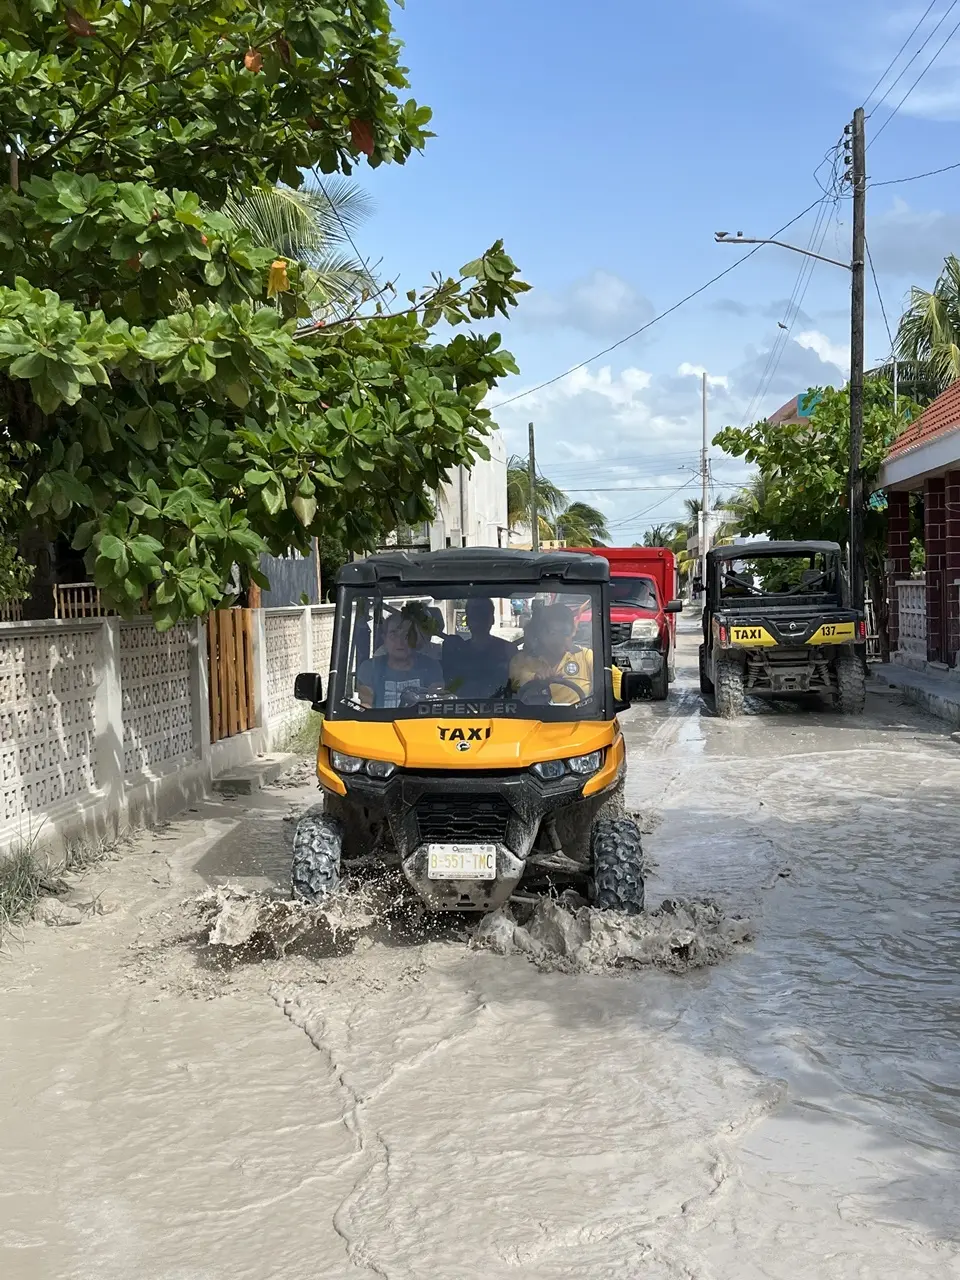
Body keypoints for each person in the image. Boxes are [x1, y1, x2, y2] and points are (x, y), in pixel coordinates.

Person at [509, 602, 594, 704]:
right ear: (540, 633)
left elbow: (615, 683)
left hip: (579, 718)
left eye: (565, 632)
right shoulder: (523, 660)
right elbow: (513, 681)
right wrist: (534, 678)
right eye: (553, 633)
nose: (559, 639)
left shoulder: (586, 657)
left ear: (573, 632)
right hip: (530, 718)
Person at [357, 613, 442, 709]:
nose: (400, 641)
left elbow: (436, 704)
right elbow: (366, 707)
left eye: (407, 635)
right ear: (384, 639)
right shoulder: (369, 668)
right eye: (393, 634)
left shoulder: (430, 667)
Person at [442, 597, 516, 698]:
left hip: (502, 709)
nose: (480, 621)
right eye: (475, 616)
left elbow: (516, 688)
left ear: (492, 619)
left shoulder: (508, 650)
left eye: (484, 615)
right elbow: (451, 689)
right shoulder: (457, 653)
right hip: (462, 709)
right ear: (467, 620)